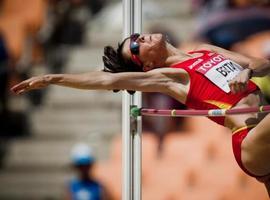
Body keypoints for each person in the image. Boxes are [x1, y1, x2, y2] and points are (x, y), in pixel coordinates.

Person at [11, 33, 270, 196]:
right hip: (249, 139)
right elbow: (102, 80)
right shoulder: (170, 77)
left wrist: (246, 71)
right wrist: (52, 77)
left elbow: (261, 64)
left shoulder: (205, 49)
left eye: (136, 37)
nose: (140, 39)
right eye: (135, 46)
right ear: (146, 65)